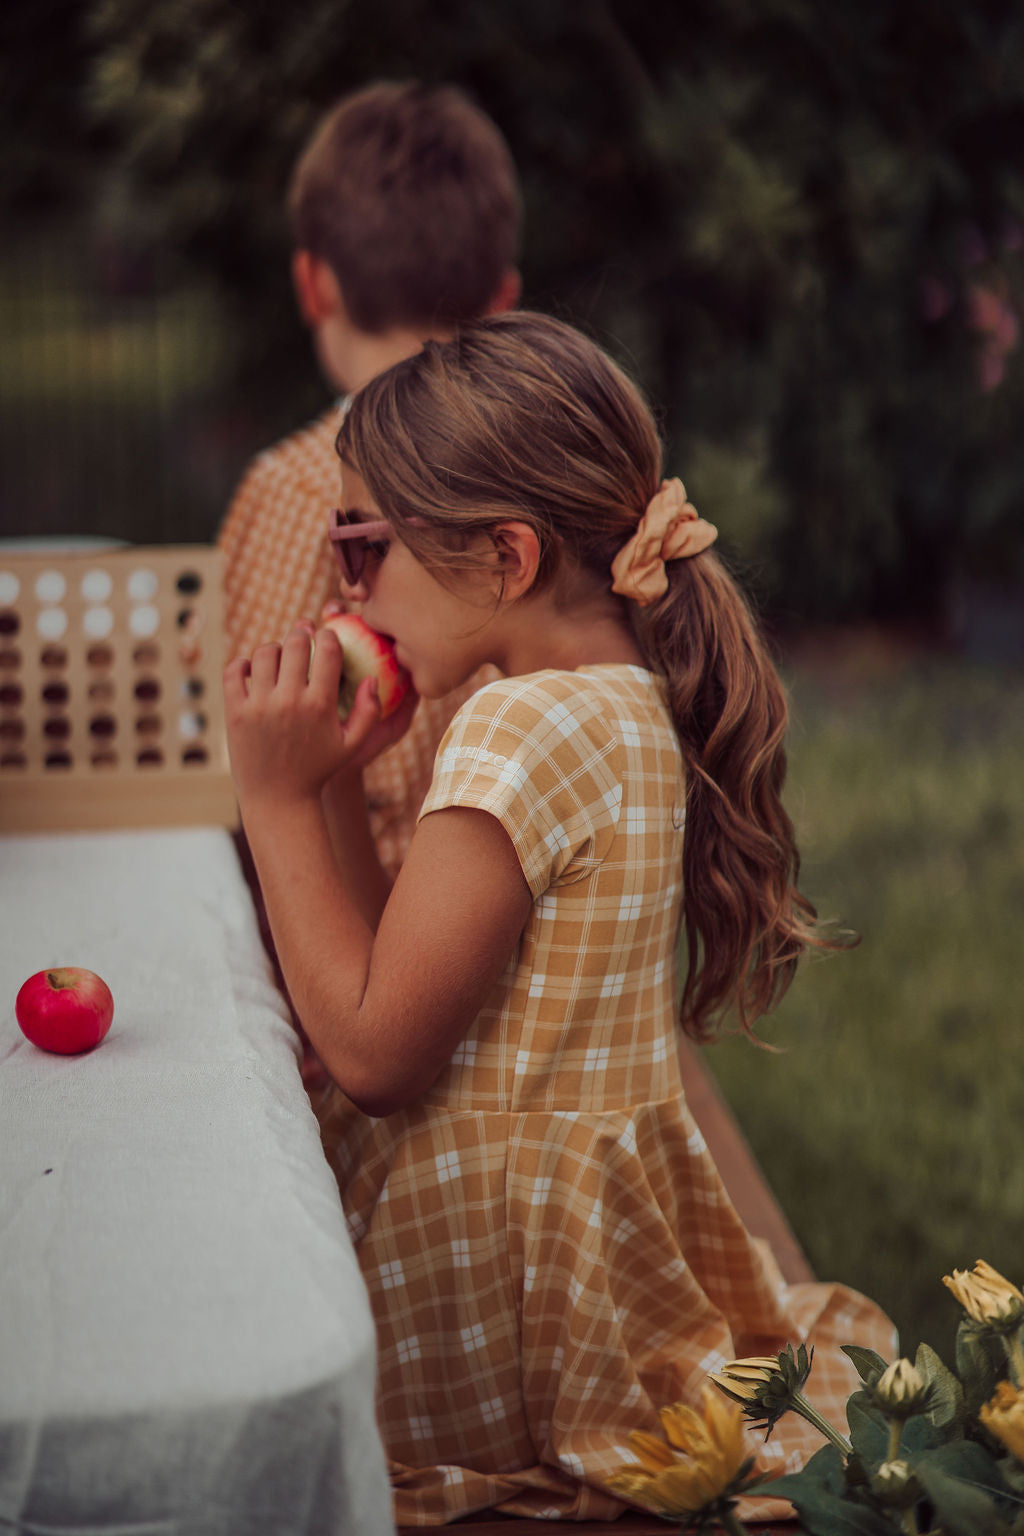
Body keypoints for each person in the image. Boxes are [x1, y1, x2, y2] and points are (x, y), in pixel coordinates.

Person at [223, 311, 896, 1526]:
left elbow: (374, 1055)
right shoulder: (615, 702)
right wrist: (325, 788)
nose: (345, 581)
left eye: (363, 542)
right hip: (575, 1259)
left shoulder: (516, 729)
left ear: (507, 557)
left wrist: (268, 801)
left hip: (492, 1298)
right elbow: (413, 991)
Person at [218, 78, 521, 879]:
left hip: (345, 917)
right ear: (503, 302)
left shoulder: (290, 486)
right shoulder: (545, 475)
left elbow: (249, 742)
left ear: (312, 284)